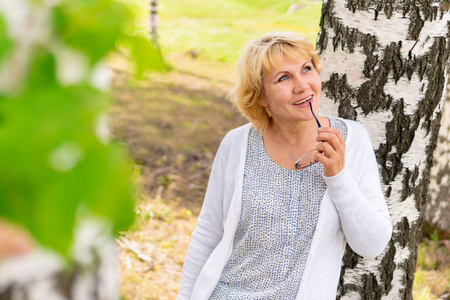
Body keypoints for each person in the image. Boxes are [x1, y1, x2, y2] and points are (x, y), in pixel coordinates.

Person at [177, 31, 392, 299]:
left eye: (306, 69)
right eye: (283, 78)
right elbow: (208, 234)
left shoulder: (352, 139)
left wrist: (338, 176)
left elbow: (372, 245)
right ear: (261, 97)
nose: (302, 85)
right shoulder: (237, 144)